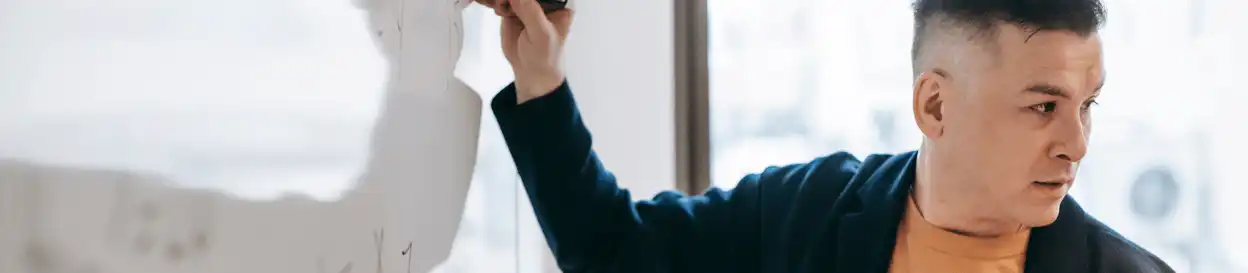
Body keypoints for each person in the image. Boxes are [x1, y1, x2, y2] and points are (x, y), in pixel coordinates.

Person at [483, 0, 1175, 272]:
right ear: (934, 106)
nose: (1077, 143)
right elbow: (614, 252)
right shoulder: (805, 212)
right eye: (1043, 107)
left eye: (1088, 105)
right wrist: (539, 77)